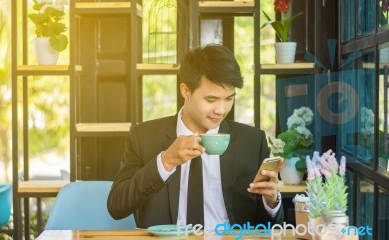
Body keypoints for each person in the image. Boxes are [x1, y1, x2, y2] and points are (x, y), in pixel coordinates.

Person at [107, 44, 284, 230]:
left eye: (229, 99)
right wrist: (166, 161)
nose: (221, 110)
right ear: (185, 91)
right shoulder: (143, 137)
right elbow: (116, 206)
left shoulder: (251, 141)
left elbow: (267, 230)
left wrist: (271, 202)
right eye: (211, 99)